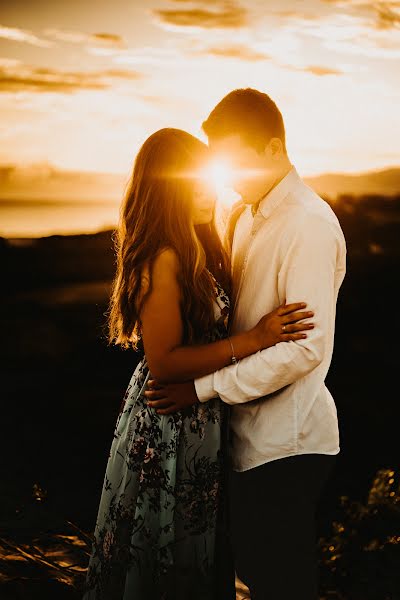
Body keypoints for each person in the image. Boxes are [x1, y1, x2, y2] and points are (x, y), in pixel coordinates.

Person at [82, 127, 313, 600]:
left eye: (210, 180)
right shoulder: (162, 258)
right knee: (167, 547)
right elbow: (164, 363)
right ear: (168, 188)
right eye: (194, 183)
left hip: (199, 416)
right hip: (169, 419)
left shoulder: (196, 248)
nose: (209, 192)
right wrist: (255, 339)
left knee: (197, 544)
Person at [145, 89, 347, 600]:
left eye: (238, 162)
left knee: (283, 584)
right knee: (251, 576)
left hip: (287, 442)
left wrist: (201, 388)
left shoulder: (309, 224)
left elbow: (304, 349)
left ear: (274, 148)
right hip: (240, 438)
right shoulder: (241, 215)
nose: (229, 177)